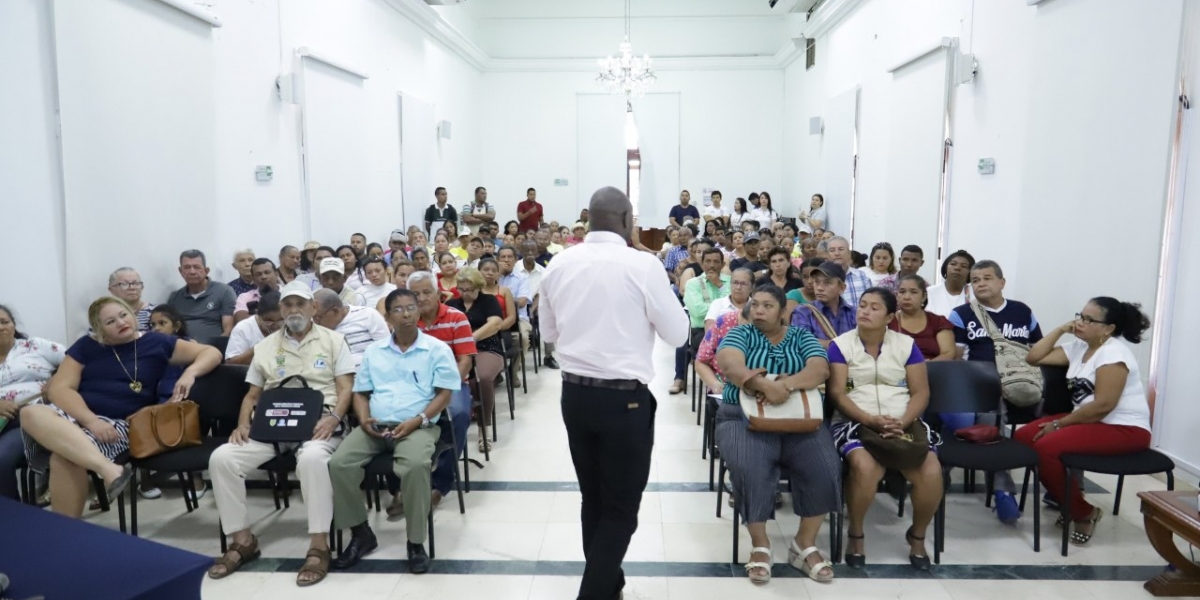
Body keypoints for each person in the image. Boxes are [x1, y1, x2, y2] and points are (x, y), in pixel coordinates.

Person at [540, 186, 689, 600]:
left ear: (588, 218)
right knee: (622, 508)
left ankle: (610, 584)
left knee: (594, 497)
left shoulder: (559, 264)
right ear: (627, 220)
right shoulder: (642, 266)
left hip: (575, 397)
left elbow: (548, 334)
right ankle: (593, 593)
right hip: (624, 402)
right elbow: (677, 334)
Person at [205, 281, 354, 586]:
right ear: (280, 310)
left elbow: (346, 388)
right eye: (288, 305)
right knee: (222, 458)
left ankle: (318, 544)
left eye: (301, 303)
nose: (294, 310)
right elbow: (251, 396)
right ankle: (243, 541)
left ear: (314, 308)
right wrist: (243, 423)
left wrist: (335, 417)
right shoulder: (265, 346)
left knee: (312, 460)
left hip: (319, 422)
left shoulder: (334, 340)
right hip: (272, 425)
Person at [21, 297, 220, 518]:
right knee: (30, 412)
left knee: (63, 456)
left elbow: (211, 352)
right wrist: (91, 421)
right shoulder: (87, 346)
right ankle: (110, 471)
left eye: (123, 315)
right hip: (79, 417)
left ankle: (67, 533)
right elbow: (59, 389)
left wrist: (189, 373)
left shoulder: (156, 342)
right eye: (110, 321)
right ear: (99, 330)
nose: (120, 322)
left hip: (123, 424)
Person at [715, 285, 840, 584]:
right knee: (750, 468)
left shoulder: (800, 336)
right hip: (742, 417)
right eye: (755, 304)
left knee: (827, 466)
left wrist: (786, 385)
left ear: (783, 311)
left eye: (767, 305)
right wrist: (761, 384)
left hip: (799, 420)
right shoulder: (740, 333)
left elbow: (820, 369)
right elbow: (729, 363)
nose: (758, 310)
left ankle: (803, 544)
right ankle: (760, 545)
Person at [327, 288, 457, 573]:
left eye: (411, 307)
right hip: (375, 426)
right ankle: (361, 534)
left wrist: (419, 419)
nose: (406, 314)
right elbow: (360, 392)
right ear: (387, 318)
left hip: (418, 427)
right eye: (398, 310)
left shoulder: (436, 349)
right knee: (339, 464)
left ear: (419, 311)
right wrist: (363, 419)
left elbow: (444, 394)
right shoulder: (375, 352)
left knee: (413, 466)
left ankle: (415, 542)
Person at [1017, 297, 1153, 546]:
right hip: (1091, 421)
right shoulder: (1078, 348)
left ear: (1108, 328)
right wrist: (1059, 329)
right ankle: (1069, 499)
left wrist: (1059, 425)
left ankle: (1082, 512)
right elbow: (1033, 358)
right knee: (1023, 438)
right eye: (1080, 315)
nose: (1080, 323)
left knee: (1046, 448)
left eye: (1089, 320)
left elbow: (1103, 406)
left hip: (1123, 428)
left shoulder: (1113, 354)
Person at [826, 287, 942, 571]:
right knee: (866, 467)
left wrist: (901, 423)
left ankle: (917, 536)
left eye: (874, 307)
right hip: (854, 421)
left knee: (930, 470)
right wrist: (870, 420)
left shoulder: (906, 345)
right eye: (862, 305)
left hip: (903, 420)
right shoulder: (840, 345)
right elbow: (838, 395)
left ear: (890, 316)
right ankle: (856, 534)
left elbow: (920, 393)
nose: (864, 311)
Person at [948, 259, 1043, 523]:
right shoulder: (961, 314)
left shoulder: (1022, 311)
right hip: (982, 385)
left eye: (987, 278)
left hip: (1023, 382)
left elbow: (1039, 349)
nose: (980, 283)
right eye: (975, 280)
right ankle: (1003, 489)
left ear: (1002, 282)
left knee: (1061, 415)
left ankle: (1063, 489)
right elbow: (956, 359)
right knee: (993, 416)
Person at [406, 272, 475, 513]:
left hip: (452, 383)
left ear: (438, 293)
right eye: (415, 294)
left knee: (457, 413)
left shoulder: (456, 318)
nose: (422, 298)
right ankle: (405, 478)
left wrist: (446, 386)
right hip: (415, 385)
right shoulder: (407, 322)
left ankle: (441, 482)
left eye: (427, 292)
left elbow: (465, 359)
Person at [0, 305, 65, 501]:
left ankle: (14, 520)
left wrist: (56, 381)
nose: (1, 327)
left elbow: (76, 361)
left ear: (13, 325)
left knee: (1, 459)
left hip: (31, 419)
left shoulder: (34, 346)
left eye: (5, 322)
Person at [446, 268, 505, 453]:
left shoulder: (488, 301)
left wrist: (470, 338)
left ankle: (483, 429)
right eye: (462, 289)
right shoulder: (452, 303)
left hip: (486, 348)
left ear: (478, 287)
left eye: (469, 290)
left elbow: (494, 324)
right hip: (457, 352)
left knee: (483, 378)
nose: (465, 294)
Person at [676, 248, 731, 395]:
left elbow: (733, 308)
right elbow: (697, 311)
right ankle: (716, 388)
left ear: (722, 264)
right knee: (719, 349)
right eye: (707, 261)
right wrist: (719, 305)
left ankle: (729, 386)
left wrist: (719, 284)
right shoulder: (693, 283)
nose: (711, 265)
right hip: (701, 333)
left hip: (729, 331)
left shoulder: (730, 282)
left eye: (716, 261)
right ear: (701, 263)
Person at [166, 249, 237, 345]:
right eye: (187, 267)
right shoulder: (174, 297)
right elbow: (170, 330)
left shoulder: (224, 291)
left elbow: (228, 330)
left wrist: (211, 349)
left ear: (206, 270)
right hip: (184, 350)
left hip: (215, 350)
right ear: (180, 271)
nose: (192, 271)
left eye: (196, 267)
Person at [312, 289, 390, 370]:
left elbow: (386, 351)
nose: (315, 322)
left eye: (318, 317)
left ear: (335, 311)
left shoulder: (368, 315)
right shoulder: (316, 329)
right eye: (312, 317)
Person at [889, 275, 955, 361]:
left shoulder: (938, 322)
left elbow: (948, 354)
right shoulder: (887, 321)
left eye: (913, 292)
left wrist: (922, 367)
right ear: (897, 295)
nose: (907, 297)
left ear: (923, 297)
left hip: (933, 370)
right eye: (902, 292)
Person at [790, 262, 856, 346]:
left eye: (827, 282)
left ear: (841, 288)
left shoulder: (854, 313)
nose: (819, 288)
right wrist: (843, 346)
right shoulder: (803, 312)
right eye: (816, 281)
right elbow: (801, 343)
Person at [497, 246, 532, 372]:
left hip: (519, 319)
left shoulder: (522, 277)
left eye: (510, 257)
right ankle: (496, 372)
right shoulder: (492, 276)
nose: (506, 260)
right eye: (503, 257)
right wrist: (498, 273)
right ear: (497, 260)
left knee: (522, 338)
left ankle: (513, 372)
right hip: (494, 318)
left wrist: (501, 298)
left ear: (516, 259)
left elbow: (522, 302)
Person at [225, 291, 283, 365]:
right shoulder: (243, 328)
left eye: (281, 320)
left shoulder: (292, 324)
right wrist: (259, 348)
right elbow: (230, 363)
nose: (275, 326)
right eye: (269, 321)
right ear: (258, 316)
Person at [926, 249, 975, 318]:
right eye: (953, 264)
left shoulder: (976, 294)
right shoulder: (929, 292)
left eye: (964, 266)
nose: (957, 268)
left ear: (971, 272)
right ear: (945, 268)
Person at [825, 237, 871, 307]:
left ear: (849, 253)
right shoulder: (822, 278)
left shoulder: (862, 276)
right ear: (827, 255)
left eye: (841, 249)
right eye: (832, 250)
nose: (837, 253)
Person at [107, 267, 155, 332]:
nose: (132, 288)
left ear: (142, 287)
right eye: (124, 284)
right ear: (112, 290)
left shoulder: (156, 311)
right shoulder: (105, 315)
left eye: (136, 283)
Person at [233, 258, 280, 324]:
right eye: (258, 274)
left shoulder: (288, 293)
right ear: (253, 279)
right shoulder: (245, 297)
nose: (263, 276)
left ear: (276, 274)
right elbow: (241, 320)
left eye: (267, 272)